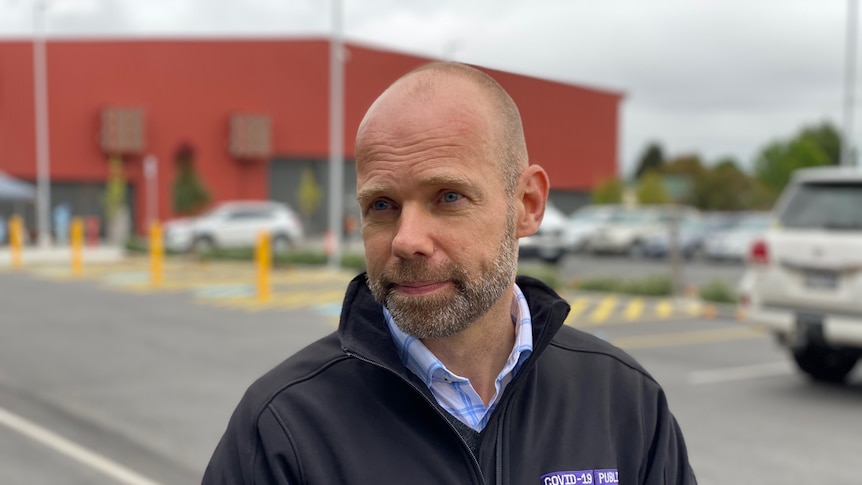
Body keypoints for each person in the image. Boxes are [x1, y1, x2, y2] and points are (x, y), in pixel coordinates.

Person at [202, 62, 697, 484]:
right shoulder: (283, 429)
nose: (406, 239)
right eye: (382, 204)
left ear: (527, 204)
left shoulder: (622, 402)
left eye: (448, 197)